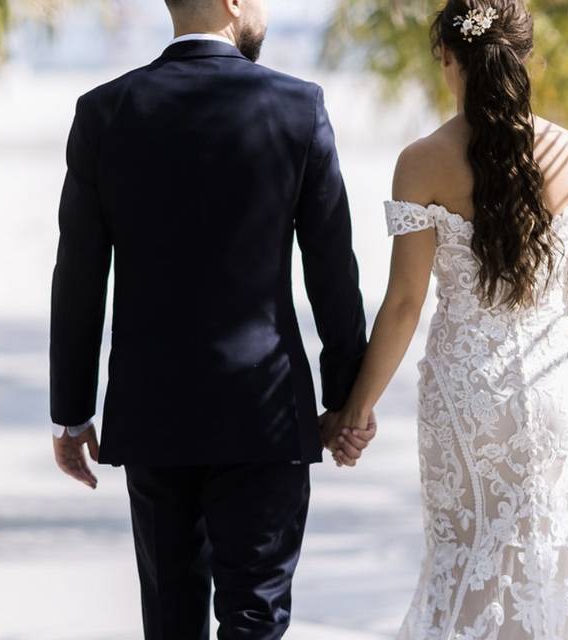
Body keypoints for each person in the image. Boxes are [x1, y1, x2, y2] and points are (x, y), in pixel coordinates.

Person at [48, 0, 371, 637]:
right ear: (232, 3)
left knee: (171, 621)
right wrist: (345, 402)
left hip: (154, 415)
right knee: (256, 619)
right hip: (265, 414)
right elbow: (333, 270)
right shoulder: (298, 107)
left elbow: (79, 276)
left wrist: (73, 410)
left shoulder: (105, 111)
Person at [325, 1, 568, 638]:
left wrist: (356, 410)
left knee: (463, 556)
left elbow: (405, 303)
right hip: (553, 394)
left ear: (448, 55)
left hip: (464, 395)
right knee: (548, 554)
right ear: (524, 55)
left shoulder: (421, 162)